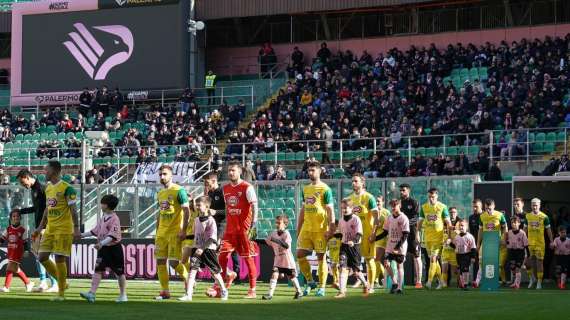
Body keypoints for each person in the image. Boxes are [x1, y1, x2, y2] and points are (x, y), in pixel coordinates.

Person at [32, 160, 79, 301]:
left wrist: (76, 228)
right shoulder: (48, 188)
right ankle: (63, 283)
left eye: (46, 170)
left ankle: (61, 294)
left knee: (59, 258)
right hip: (50, 229)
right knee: (42, 257)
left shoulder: (67, 188)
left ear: (53, 171)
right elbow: (47, 209)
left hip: (63, 229)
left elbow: (74, 210)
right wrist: (40, 227)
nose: (44, 172)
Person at [218, 161, 259, 298]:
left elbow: (254, 207)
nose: (231, 173)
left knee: (248, 259)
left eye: (233, 170)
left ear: (240, 171)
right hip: (230, 231)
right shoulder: (225, 189)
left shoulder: (247, 187)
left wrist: (253, 225)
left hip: (244, 231)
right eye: (229, 170)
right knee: (222, 257)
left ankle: (252, 290)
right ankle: (221, 287)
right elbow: (227, 208)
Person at [297, 160, 335, 297]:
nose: (310, 173)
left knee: (321, 258)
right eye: (309, 170)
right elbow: (303, 209)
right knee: (300, 255)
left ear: (320, 171)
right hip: (307, 228)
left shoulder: (325, 189)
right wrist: (298, 227)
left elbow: (330, 210)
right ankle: (310, 281)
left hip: (320, 229)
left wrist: (331, 228)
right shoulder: (306, 189)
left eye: (313, 170)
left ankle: (322, 287)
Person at [79, 195, 127, 303]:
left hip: (114, 249)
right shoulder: (103, 216)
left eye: (103, 203)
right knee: (98, 269)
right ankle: (92, 293)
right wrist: (81, 235)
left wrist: (101, 243)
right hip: (103, 249)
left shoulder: (115, 219)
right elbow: (95, 231)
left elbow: (112, 236)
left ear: (107, 205)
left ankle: (123, 295)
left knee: (119, 272)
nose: (101, 205)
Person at [180, 196, 228, 301]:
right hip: (196, 249)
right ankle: (189, 295)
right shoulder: (196, 220)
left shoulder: (211, 221)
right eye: (196, 205)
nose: (197, 207)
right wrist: (184, 237)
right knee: (192, 271)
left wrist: (202, 248)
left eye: (199, 205)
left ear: (206, 206)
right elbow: (195, 235)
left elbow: (212, 238)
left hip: (208, 249)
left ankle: (224, 289)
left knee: (214, 272)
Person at [17, 169, 57, 292]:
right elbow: (36, 208)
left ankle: (56, 283)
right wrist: (21, 211)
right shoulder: (34, 190)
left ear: (27, 177)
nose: (23, 185)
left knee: (45, 255)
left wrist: (46, 226)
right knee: (38, 255)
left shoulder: (43, 188)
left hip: (46, 227)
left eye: (23, 182)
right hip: (39, 227)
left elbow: (50, 208)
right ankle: (43, 282)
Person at [154, 165, 190, 300]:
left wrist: (184, 229)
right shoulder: (160, 193)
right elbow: (160, 213)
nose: (162, 177)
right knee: (160, 262)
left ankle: (188, 279)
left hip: (174, 232)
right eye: (160, 175)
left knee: (174, 263)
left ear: (171, 175)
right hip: (161, 234)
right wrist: (157, 231)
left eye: (165, 174)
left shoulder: (179, 191)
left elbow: (186, 211)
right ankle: (165, 291)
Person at [347, 173, 379, 291]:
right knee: (354, 261)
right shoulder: (349, 198)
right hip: (354, 236)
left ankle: (370, 286)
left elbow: (376, 217)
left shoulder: (369, 198)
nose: (353, 183)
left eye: (356, 181)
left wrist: (373, 233)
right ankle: (362, 283)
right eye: (352, 181)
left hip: (367, 234)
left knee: (369, 259)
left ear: (362, 183)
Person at [335, 198, 370, 298]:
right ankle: (342, 292)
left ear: (351, 208)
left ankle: (366, 284)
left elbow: (359, 234)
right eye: (342, 208)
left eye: (346, 208)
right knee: (343, 268)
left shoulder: (356, 219)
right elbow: (341, 235)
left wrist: (353, 241)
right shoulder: (341, 220)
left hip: (355, 248)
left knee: (356, 271)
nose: (344, 210)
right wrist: (332, 235)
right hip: (344, 247)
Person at [263, 215, 303, 300]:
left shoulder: (286, 233)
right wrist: (252, 239)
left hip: (287, 260)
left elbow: (287, 246)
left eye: (279, 223)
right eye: (276, 222)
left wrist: (275, 240)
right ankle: (269, 294)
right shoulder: (273, 233)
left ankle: (299, 292)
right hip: (278, 260)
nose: (277, 224)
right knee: (274, 274)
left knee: (292, 277)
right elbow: (267, 242)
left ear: (285, 224)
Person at [418, 188, 451, 289]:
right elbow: (419, 223)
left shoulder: (442, 207)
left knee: (433, 259)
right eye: (429, 197)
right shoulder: (424, 207)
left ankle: (429, 282)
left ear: (437, 196)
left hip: (438, 238)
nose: (431, 199)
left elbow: (448, 223)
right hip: (427, 238)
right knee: (434, 261)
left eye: (433, 197)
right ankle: (441, 281)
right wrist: (417, 235)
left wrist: (449, 237)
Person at [376, 199, 410, 294]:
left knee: (400, 266)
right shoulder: (389, 218)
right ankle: (394, 283)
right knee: (386, 263)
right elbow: (385, 232)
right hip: (390, 245)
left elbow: (405, 234)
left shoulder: (404, 218)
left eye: (395, 205)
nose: (393, 207)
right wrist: (375, 239)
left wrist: (397, 247)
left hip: (400, 247)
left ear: (399, 206)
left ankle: (400, 288)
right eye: (392, 206)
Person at [474, 199, 508, 288]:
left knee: (494, 263)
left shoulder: (500, 215)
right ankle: (478, 281)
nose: (488, 210)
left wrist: (504, 238)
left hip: (496, 241)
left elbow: (505, 228)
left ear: (494, 206)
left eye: (489, 208)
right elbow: (480, 230)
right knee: (481, 260)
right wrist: (478, 243)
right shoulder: (482, 216)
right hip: (486, 241)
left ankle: (493, 281)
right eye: (486, 209)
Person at [0, 209, 34, 293]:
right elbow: (2, 239)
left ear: (20, 218)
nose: (16, 218)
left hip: (18, 252)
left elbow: (25, 242)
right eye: (14, 216)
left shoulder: (23, 230)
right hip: (10, 251)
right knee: (14, 269)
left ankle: (6, 287)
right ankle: (28, 283)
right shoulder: (8, 229)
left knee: (9, 267)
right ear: (11, 218)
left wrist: (26, 251)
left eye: (17, 216)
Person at [525, 198, 553, 290]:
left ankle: (539, 282)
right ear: (531, 205)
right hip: (529, 243)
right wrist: (523, 240)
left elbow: (548, 230)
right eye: (533, 205)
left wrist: (552, 241)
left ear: (539, 205)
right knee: (529, 262)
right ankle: (532, 279)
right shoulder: (528, 216)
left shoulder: (544, 217)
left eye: (536, 205)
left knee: (539, 262)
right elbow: (524, 229)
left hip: (540, 243)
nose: (535, 207)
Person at [399, 183, 422, 288]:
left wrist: (405, 222)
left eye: (403, 190)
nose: (401, 192)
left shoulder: (414, 202)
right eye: (400, 190)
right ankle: (400, 282)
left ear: (408, 190)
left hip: (412, 233)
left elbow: (416, 218)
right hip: (401, 234)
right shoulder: (398, 203)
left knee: (416, 256)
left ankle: (419, 281)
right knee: (399, 256)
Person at [450, 219, 477, 290]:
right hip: (459, 255)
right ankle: (462, 283)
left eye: (462, 225)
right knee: (460, 270)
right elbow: (454, 246)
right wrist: (449, 243)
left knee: (465, 269)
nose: (461, 227)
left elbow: (473, 248)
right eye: (459, 226)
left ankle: (466, 284)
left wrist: (473, 257)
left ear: (466, 227)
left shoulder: (470, 236)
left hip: (466, 255)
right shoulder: (457, 237)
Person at [505, 216, 529, 290]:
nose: (513, 224)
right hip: (511, 252)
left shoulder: (522, 233)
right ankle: (515, 282)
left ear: (519, 223)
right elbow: (507, 242)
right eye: (512, 223)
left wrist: (528, 255)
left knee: (518, 268)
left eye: (515, 223)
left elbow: (526, 245)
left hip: (519, 252)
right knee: (513, 268)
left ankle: (517, 284)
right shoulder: (509, 232)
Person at [374, 195, 390, 288]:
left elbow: (388, 227)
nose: (377, 203)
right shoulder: (372, 212)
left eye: (379, 201)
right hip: (373, 238)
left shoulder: (386, 212)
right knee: (376, 260)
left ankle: (375, 281)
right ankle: (386, 278)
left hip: (382, 238)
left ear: (383, 202)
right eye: (376, 201)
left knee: (376, 258)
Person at [441, 207, 459, 288]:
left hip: (454, 250)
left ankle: (460, 283)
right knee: (444, 268)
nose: (452, 214)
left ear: (457, 213)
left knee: (455, 271)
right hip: (445, 250)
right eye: (451, 212)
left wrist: (457, 231)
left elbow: (463, 232)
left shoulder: (459, 222)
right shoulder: (444, 222)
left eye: (454, 212)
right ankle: (444, 283)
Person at [468, 198, 483, 282]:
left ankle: (484, 280)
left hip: (484, 243)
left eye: (476, 207)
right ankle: (475, 280)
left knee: (484, 263)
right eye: (473, 207)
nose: (474, 208)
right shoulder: (471, 217)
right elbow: (470, 232)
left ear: (481, 206)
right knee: (475, 262)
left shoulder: (485, 216)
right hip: (474, 244)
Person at [327, 225, 341, 290]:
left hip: (338, 256)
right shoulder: (330, 238)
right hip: (332, 256)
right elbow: (327, 247)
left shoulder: (339, 237)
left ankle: (338, 282)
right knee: (333, 268)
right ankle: (335, 282)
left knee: (336, 268)